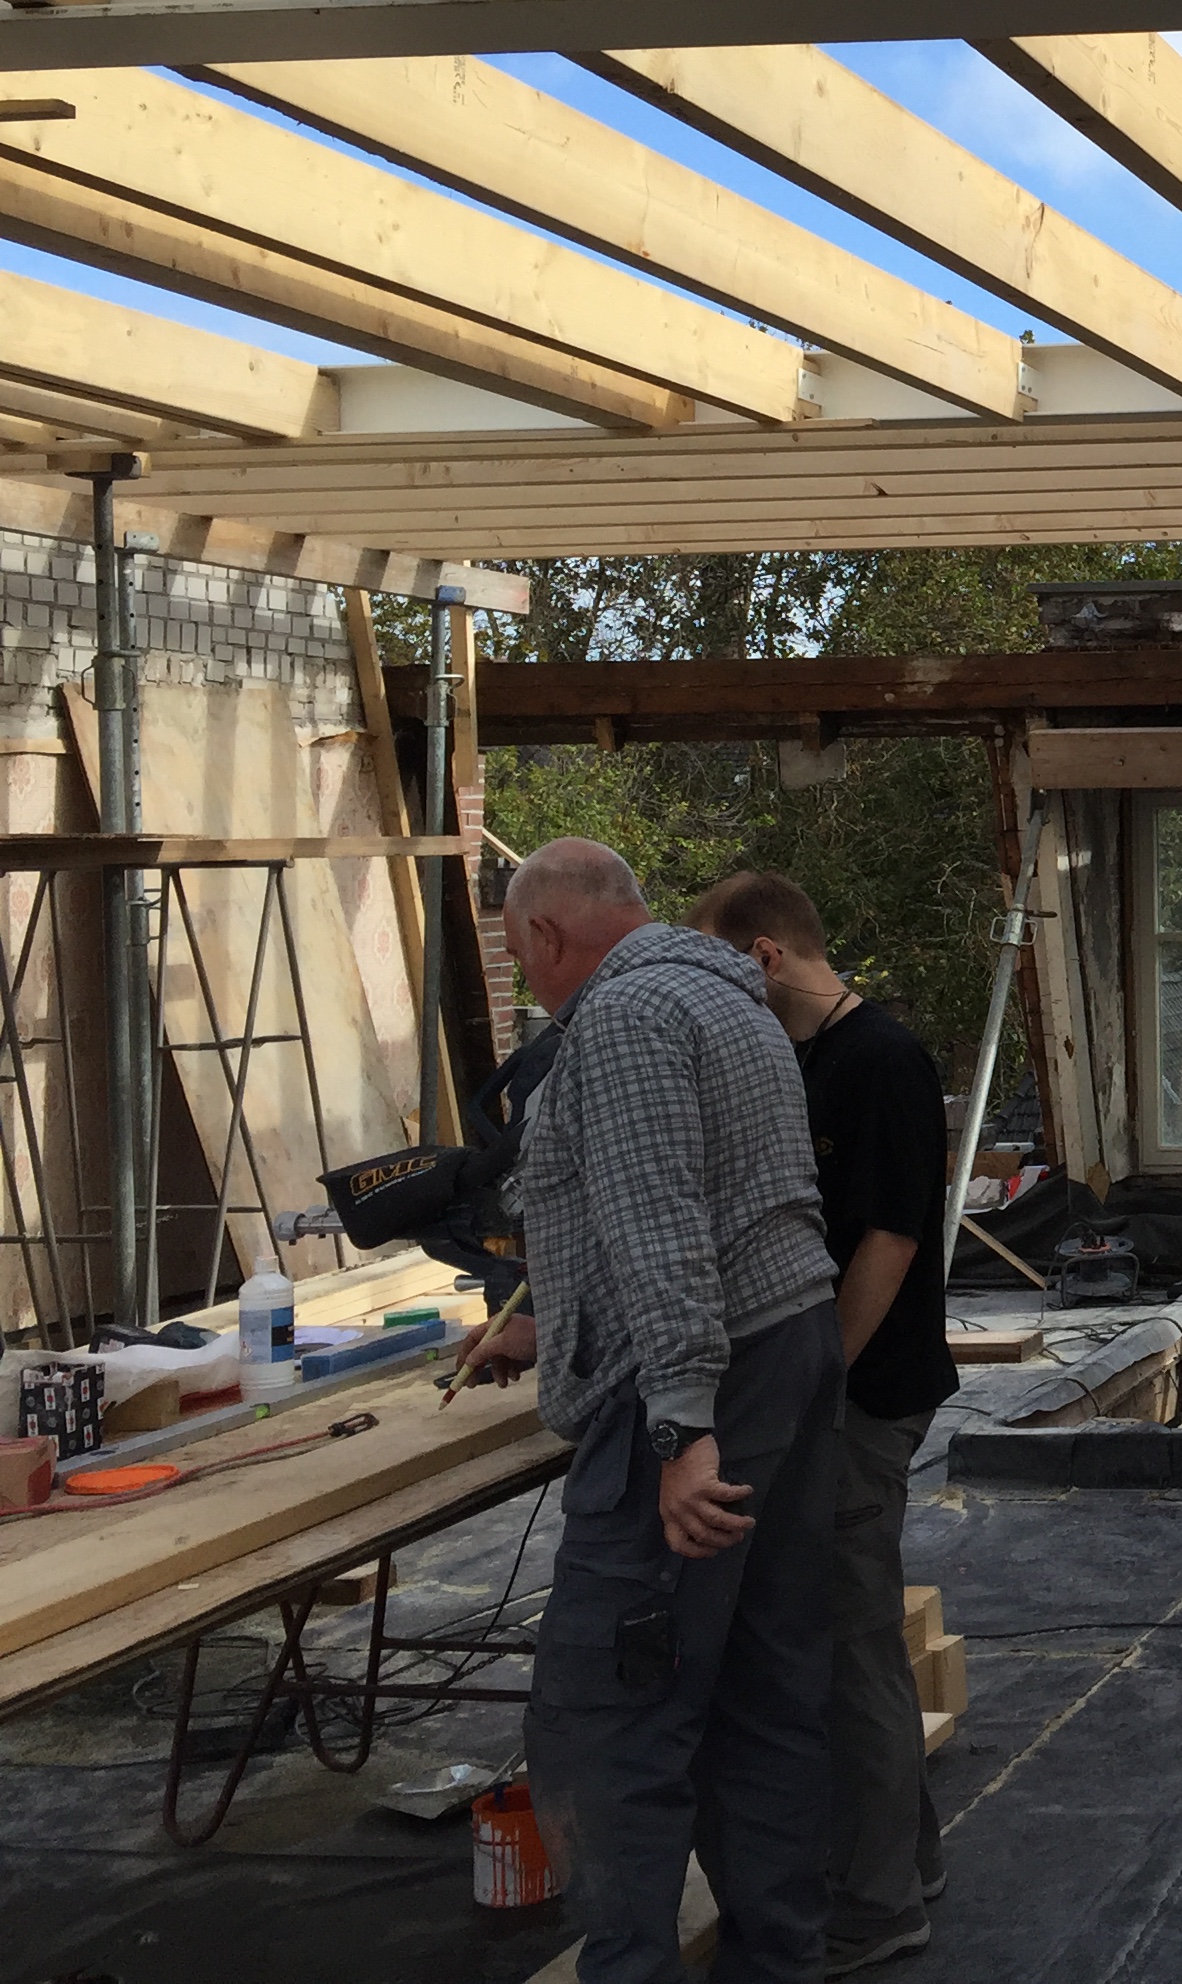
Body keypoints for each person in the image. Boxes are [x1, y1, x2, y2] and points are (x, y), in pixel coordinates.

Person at [450, 839, 843, 1984]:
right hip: (786, 1349)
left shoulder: (621, 1022)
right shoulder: (725, 999)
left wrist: (678, 1428)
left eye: (521, 958)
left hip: (704, 1387)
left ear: (544, 936)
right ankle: (779, 1963)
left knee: (610, 1714)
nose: (528, 981)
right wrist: (553, 1325)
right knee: (763, 1694)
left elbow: (663, 1229)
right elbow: (720, 1203)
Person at [686, 871, 957, 1978]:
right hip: (834, 1390)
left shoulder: (879, 1061)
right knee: (854, 1641)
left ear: (764, 956)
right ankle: (908, 1861)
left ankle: (877, 1907)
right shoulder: (796, 1061)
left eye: (718, 968)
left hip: (862, 1394)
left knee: (850, 1652)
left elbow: (889, 1243)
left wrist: (814, 1380)